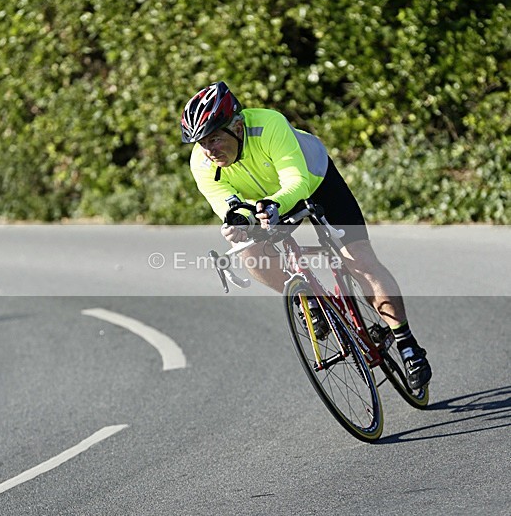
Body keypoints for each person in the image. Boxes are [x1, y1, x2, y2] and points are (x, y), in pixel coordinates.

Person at [181, 81, 432, 390]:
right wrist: (238, 222)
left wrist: (274, 205)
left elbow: (296, 180)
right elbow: (227, 204)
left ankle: (406, 343)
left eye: (215, 138)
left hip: (315, 181)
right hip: (265, 204)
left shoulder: (269, 124)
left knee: (359, 261)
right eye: (202, 142)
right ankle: (307, 299)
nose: (209, 149)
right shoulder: (201, 161)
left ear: (237, 124)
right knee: (251, 255)